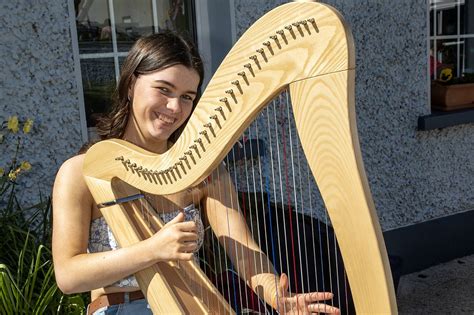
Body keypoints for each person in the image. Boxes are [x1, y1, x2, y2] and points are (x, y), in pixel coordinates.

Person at [52, 31, 340, 315]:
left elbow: (244, 253)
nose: (175, 107)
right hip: (120, 309)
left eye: (187, 96)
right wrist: (153, 249)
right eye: (164, 89)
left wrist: (279, 298)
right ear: (130, 84)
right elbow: (68, 276)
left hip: (190, 306)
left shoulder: (202, 172)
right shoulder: (83, 172)